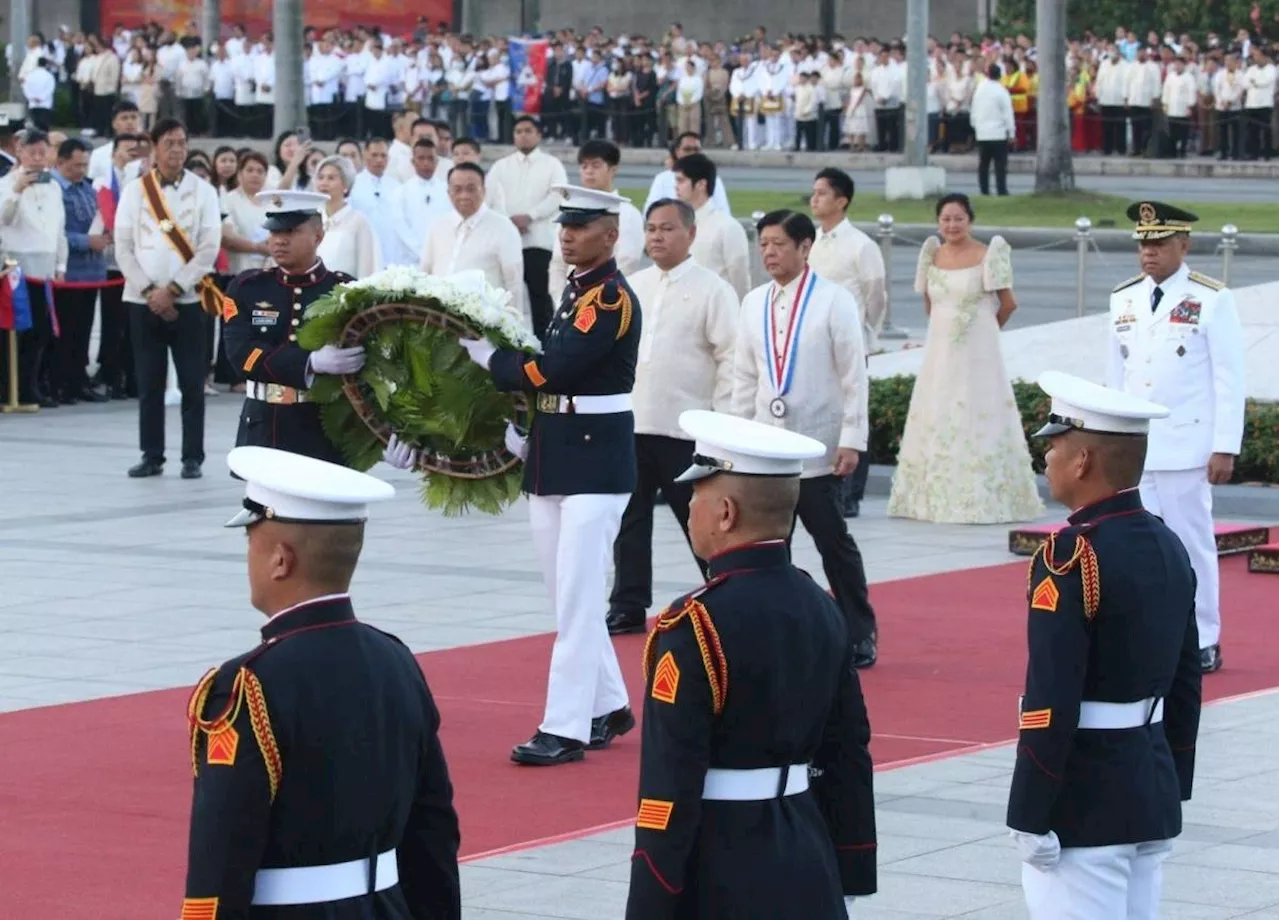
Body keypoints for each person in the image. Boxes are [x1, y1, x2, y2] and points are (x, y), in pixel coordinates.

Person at [182, 446, 460, 918]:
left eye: (251, 541)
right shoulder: (395, 659)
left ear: (280, 560)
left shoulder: (250, 682)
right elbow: (433, 826)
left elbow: (223, 850)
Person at [625, 409, 876, 919]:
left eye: (696, 495)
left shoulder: (693, 625)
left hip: (722, 863)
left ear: (725, 514)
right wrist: (849, 866)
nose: (688, 506)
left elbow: (669, 787)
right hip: (807, 848)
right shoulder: (821, 605)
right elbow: (849, 750)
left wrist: (649, 904)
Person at [454, 185, 642, 765]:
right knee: (567, 597)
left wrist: (493, 361)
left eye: (581, 225)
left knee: (581, 597)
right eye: (564, 224)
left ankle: (564, 727)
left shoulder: (609, 299)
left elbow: (555, 368)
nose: (566, 234)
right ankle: (608, 704)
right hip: (558, 451)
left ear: (609, 235)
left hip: (594, 460)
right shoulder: (576, 291)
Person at [1009, 371, 1201, 920]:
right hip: (1148, 787)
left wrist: (1030, 808)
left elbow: (1050, 693)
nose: (1046, 458)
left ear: (1084, 460)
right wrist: (1173, 780)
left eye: (1054, 445)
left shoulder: (1070, 555)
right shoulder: (1167, 543)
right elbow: (1186, 682)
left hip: (1085, 798)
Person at [732, 210, 879, 669]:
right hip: (766, 446)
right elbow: (743, 375)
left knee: (833, 542)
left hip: (817, 447)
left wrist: (852, 439)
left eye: (779, 244)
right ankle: (777, 633)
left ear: (805, 246)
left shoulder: (834, 301)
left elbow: (855, 375)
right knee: (767, 548)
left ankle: (859, 630)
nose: (770, 253)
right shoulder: (753, 301)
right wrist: (737, 438)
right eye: (763, 245)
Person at [1106, 201, 1246, 674]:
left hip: (1187, 447)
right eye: (1144, 244)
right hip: (1137, 451)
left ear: (1183, 245)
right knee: (1140, 547)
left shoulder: (1211, 298)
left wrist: (1224, 444)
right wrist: (1108, 442)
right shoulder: (1122, 299)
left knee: (1191, 545)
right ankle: (1149, 633)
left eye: (1160, 243)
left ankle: (1204, 637)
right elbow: (1116, 378)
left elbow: (1229, 378)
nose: (1149, 253)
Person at [606, 198, 738, 636]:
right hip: (631, 423)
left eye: (666, 229)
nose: (656, 237)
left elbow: (731, 358)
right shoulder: (632, 285)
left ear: (691, 234)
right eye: (650, 230)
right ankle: (627, 603)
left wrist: (720, 425)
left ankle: (723, 595)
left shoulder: (712, 289)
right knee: (630, 518)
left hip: (687, 430)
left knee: (699, 519)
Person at [887, 193, 1043, 524]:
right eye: (946, 219)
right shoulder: (931, 254)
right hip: (940, 352)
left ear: (969, 220)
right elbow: (930, 303)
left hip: (979, 352)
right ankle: (929, 498)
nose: (952, 225)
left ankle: (986, 495)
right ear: (937, 222)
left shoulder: (990, 254)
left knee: (977, 410)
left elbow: (1008, 303)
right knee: (938, 409)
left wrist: (984, 331)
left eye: (958, 218)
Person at [113, 118, 222, 480]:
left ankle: (192, 456)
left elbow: (208, 247)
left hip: (188, 301)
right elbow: (123, 247)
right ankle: (151, 454)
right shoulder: (135, 191)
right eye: (169, 143)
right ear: (155, 147)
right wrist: (149, 291)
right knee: (149, 382)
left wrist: (174, 289)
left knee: (192, 381)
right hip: (142, 301)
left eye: (181, 142)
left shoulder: (203, 190)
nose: (176, 150)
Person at [221, 190, 362, 466]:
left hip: (323, 426)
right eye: (274, 232)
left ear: (318, 236)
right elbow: (243, 356)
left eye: (291, 231)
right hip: (265, 426)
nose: (279, 240)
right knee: (266, 510)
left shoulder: (345, 291)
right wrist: (309, 362)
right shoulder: (247, 288)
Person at [806, 166, 887, 518]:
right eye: (814, 192)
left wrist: (864, 332)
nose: (815, 198)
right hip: (813, 342)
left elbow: (875, 296)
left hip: (849, 341)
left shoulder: (861, 246)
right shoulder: (809, 242)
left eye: (823, 193)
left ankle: (852, 493)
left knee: (853, 411)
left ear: (842, 200)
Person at [485, 116, 569, 338]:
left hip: (538, 241)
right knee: (503, 297)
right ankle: (505, 343)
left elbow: (558, 197)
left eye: (528, 130)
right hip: (505, 242)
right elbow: (489, 198)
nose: (523, 134)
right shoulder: (501, 166)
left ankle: (546, 347)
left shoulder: (552, 165)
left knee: (540, 298)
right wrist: (508, 221)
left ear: (538, 135)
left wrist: (530, 216)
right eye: (519, 130)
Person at [547, 140, 644, 303]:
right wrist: (561, 302)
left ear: (613, 169)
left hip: (607, 300)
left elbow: (627, 264)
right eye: (584, 166)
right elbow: (558, 264)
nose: (589, 172)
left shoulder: (627, 214)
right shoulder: (570, 209)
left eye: (596, 166)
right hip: (570, 298)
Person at [970, 64, 1015, 196]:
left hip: (982, 133)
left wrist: (976, 126)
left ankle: (984, 190)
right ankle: (1001, 189)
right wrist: (1011, 132)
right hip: (998, 133)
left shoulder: (980, 89)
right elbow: (1008, 113)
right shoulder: (1001, 91)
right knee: (1000, 165)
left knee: (983, 164)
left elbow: (974, 110)